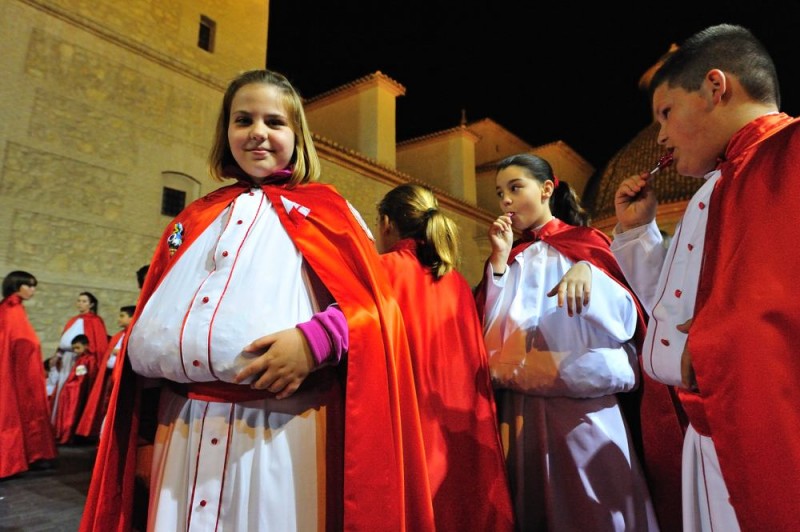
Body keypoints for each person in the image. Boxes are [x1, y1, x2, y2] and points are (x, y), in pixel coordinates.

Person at [80, 69, 435, 532]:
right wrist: (144, 435)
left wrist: (317, 341)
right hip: (181, 432)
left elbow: (377, 310)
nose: (258, 133)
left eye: (275, 122)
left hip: (278, 435)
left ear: (298, 135)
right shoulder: (195, 218)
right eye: (243, 120)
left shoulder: (329, 212)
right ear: (226, 132)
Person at [611, 23, 800, 532]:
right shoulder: (715, 186)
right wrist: (639, 233)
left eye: (667, 113)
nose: (662, 135)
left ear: (716, 87)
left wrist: (717, 338)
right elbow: (677, 310)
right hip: (709, 431)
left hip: (762, 427)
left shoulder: (788, 154)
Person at [475, 153, 666, 531]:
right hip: (520, 410)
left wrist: (591, 275)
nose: (506, 201)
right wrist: (497, 265)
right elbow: (483, 332)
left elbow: (632, 316)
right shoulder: (509, 258)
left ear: (546, 189)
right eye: (500, 193)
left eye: (515, 188)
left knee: (596, 511)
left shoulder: (588, 244)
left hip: (584, 411)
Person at [375, 183, 515, 531]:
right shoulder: (454, 281)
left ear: (386, 223)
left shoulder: (381, 270)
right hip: (460, 433)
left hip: (408, 430)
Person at [0, 271, 57, 479]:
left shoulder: (12, 308)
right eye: (29, 286)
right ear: (17, 285)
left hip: (21, 371)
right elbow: (21, 342)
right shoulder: (12, 309)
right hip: (19, 373)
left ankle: (29, 455)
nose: (32, 290)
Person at [45, 291, 108, 424]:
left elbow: (98, 346)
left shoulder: (95, 322)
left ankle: (69, 425)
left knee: (73, 393)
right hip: (65, 360)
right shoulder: (73, 320)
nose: (80, 303)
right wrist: (58, 355)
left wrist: (84, 357)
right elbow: (63, 342)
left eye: (84, 301)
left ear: (91, 304)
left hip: (80, 363)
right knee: (61, 389)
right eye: (79, 301)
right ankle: (56, 423)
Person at [75, 305, 135, 441]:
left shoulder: (133, 335)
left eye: (122, 316)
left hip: (121, 377)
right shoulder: (118, 336)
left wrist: (119, 352)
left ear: (132, 317)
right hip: (110, 375)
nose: (119, 319)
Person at [50, 334, 97, 444]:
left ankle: (66, 436)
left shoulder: (87, 360)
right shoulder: (81, 359)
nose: (75, 351)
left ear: (86, 346)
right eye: (74, 348)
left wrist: (70, 386)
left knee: (71, 414)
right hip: (72, 388)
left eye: (78, 348)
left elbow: (82, 378)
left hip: (76, 390)